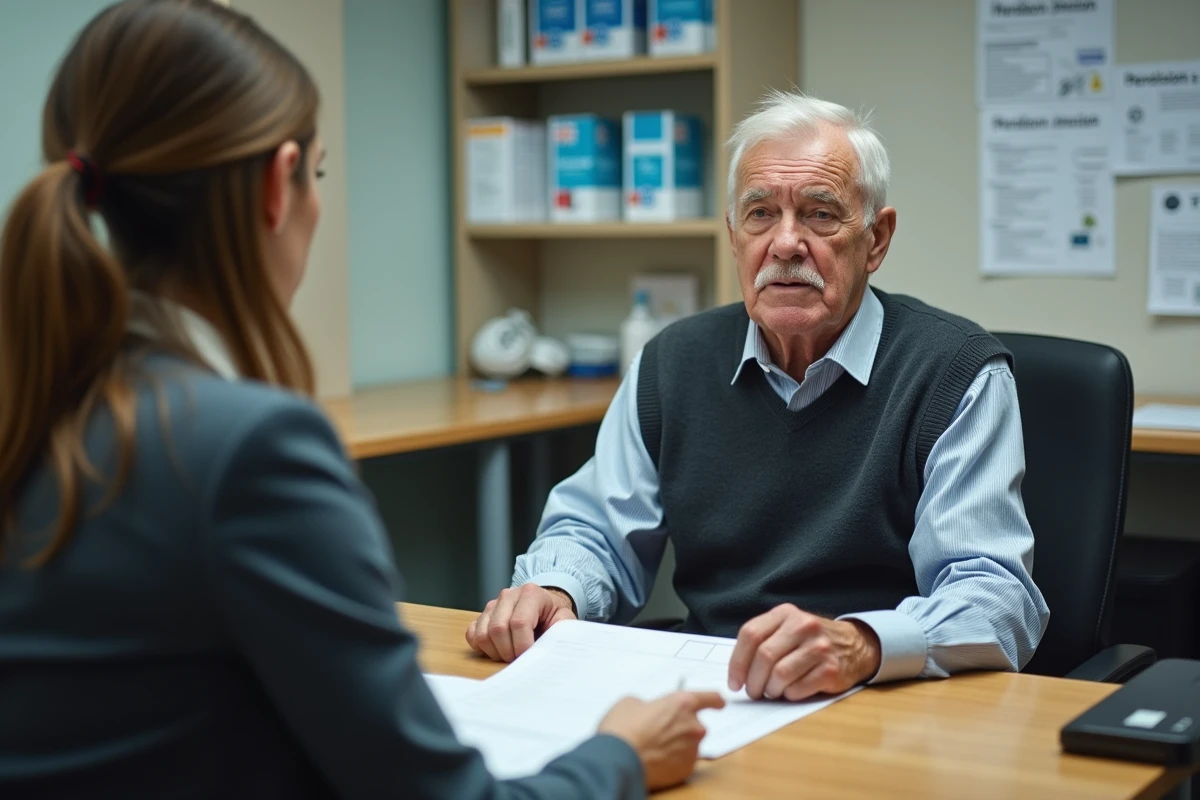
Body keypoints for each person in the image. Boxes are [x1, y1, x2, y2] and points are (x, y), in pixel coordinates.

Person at [0, 2, 723, 797]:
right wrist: (619, 755)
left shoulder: (37, 405)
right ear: (280, 187)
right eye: (317, 173)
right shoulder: (249, 449)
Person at [468, 91, 1051, 703]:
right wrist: (557, 590)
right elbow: (597, 532)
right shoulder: (672, 362)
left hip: (884, 697)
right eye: (760, 214)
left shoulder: (955, 373)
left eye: (821, 214)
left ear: (876, 240)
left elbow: (994, 594)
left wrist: (862, 645)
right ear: (733, 235)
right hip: (718, 693)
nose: (786, 243)